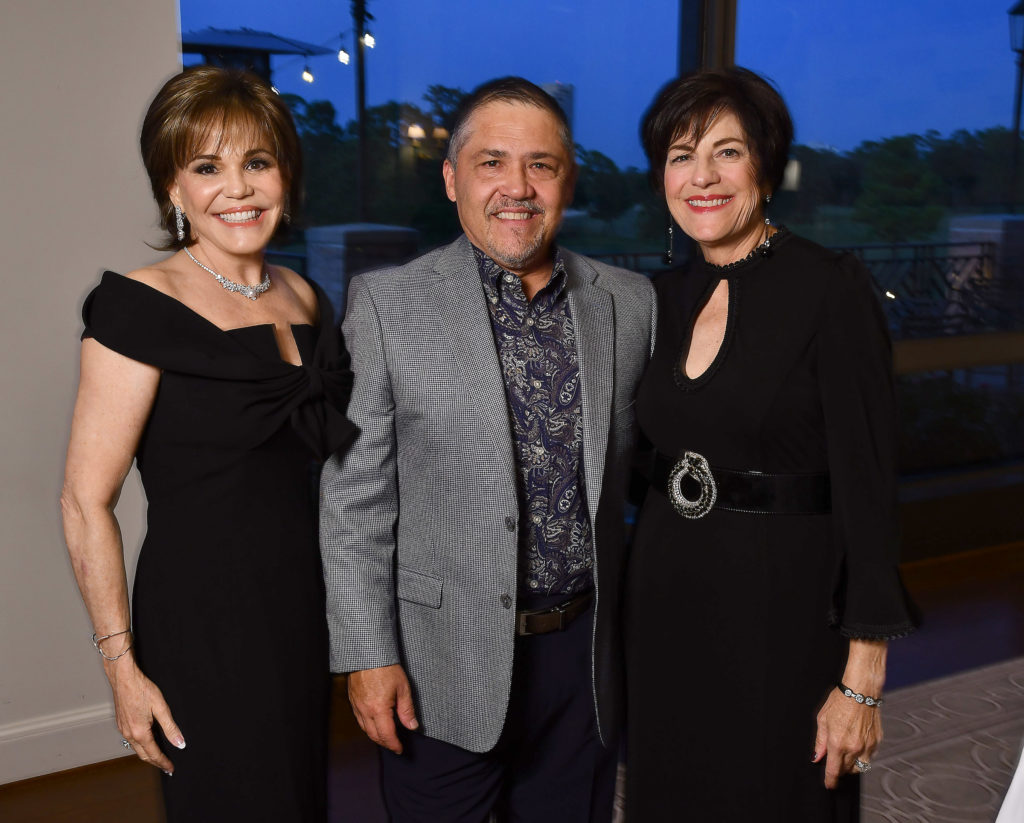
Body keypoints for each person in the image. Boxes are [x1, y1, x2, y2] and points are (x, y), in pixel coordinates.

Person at [319, 76, 656, 823]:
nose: (518, 187)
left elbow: (649, 471)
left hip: (582, 660)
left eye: (541, 164)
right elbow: (354, 500)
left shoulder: (630, 304)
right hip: (442, 659)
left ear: (567, 177)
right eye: (492, 162)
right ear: (451, 178)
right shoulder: (386, 305)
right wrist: (368, 655)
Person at [60, 66, 355, 822]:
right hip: (201, 621)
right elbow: (84, 499)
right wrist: (122, 667)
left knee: (298, 799)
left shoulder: (306, 297)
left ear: (285, 174)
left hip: (297, 608)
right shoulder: (138, 305)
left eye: (257, 162)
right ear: (173, 187)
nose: (239, 188)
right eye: (207, 167)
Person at [623, 67, 919, 821]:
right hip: (664, 604)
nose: (702, 177)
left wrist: (862, 676)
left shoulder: (830, 288)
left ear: (766, 162)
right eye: (682, 155)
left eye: (728, 152)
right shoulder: (657, 297)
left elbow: (869, 486)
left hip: (783, 613)